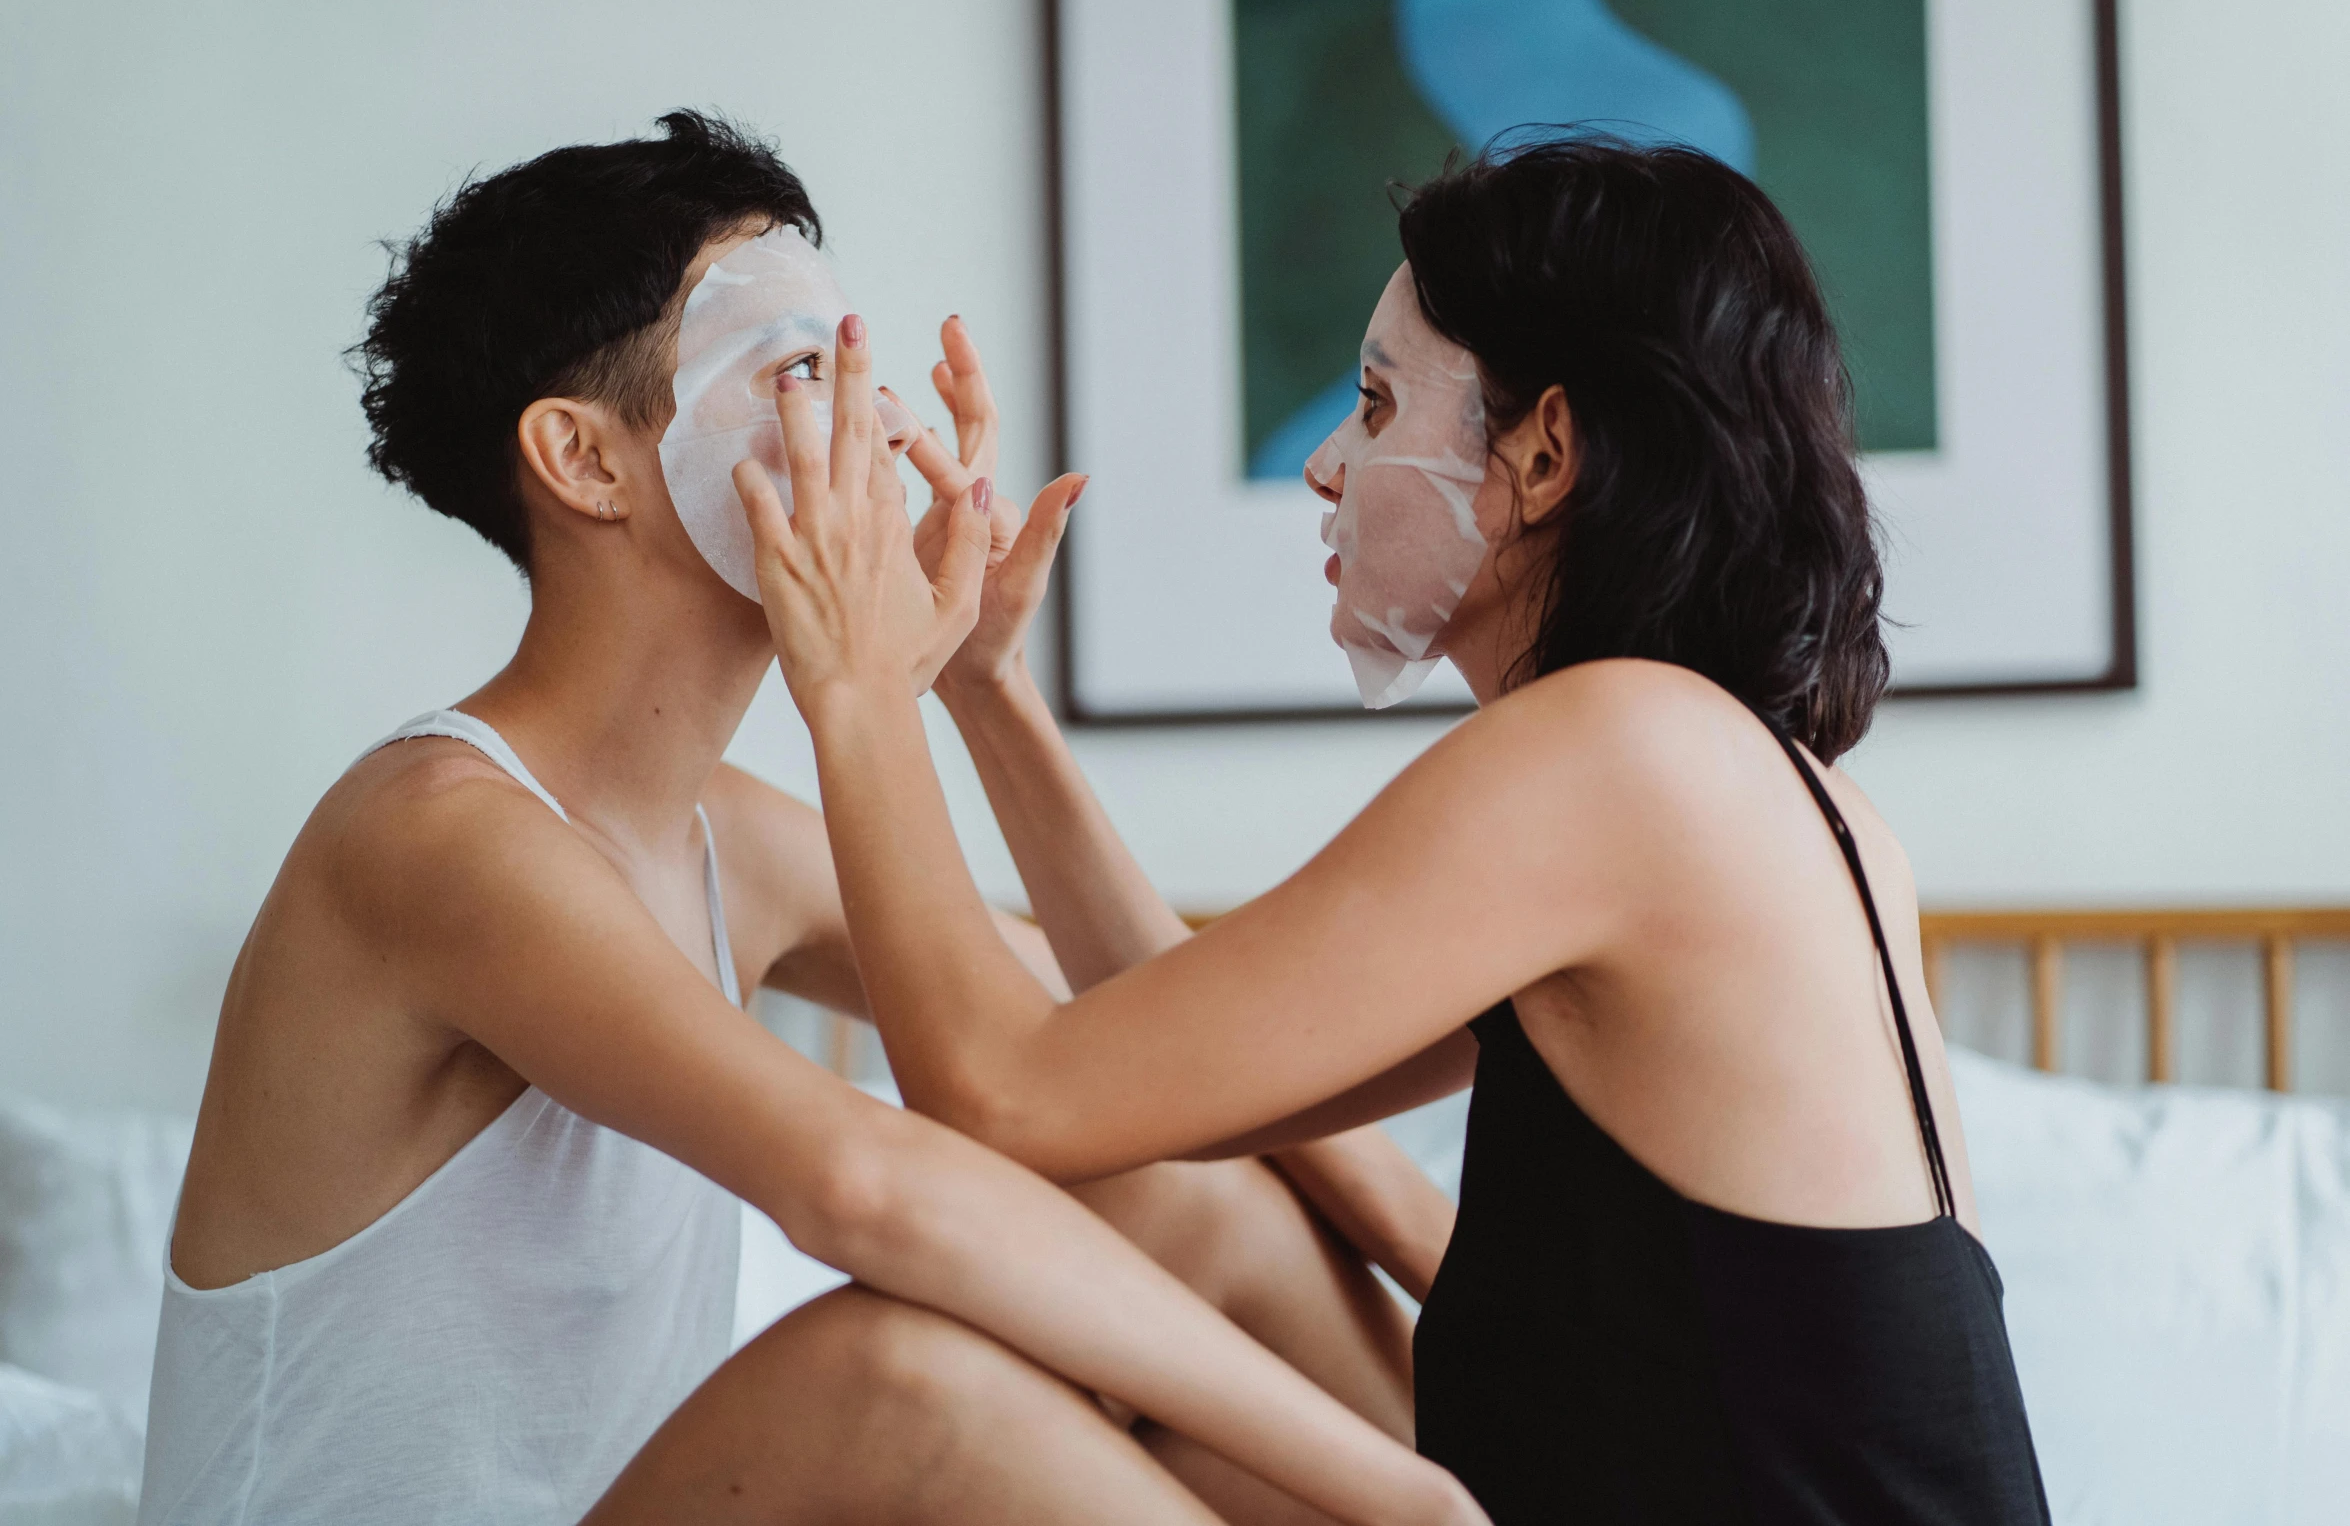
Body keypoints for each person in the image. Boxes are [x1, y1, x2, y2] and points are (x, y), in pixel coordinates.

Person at [142, 111, 1480, 1526]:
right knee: (899, 1382)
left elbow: (1140, 1048)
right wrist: (1393, 1493)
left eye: (855, 371)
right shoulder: (434, 836)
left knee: (1178, 1194)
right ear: (584, 461)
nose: (876, 430)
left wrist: (980, 684)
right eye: (796, 374)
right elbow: (865, 1186)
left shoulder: (723, 833)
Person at [733, 134, 2054, 1524]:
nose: (1322, 465)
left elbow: (996, 1094)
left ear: (1543, 453)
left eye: (1371, 405)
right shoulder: (1750, 786)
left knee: (888, 1386)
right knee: (1210, 1233)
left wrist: (850, 683)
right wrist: (983, 692)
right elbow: (1161, 1060)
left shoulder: (1610, 758)